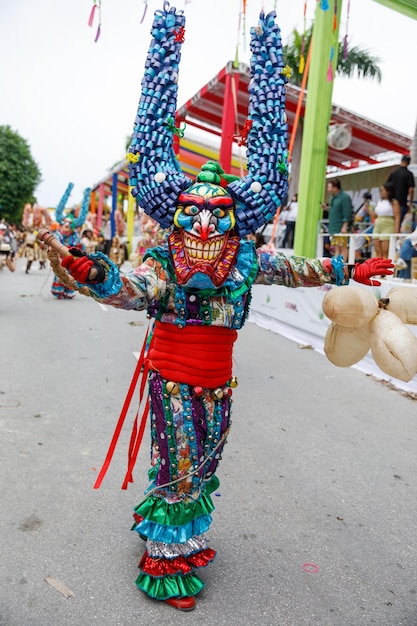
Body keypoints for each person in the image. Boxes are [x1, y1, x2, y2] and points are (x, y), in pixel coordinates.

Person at [48, 7, 394, 613]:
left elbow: (296, 267)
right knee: (179, 465)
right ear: (177, 216)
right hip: (174, 380)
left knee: (204, 462)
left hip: (219, 384)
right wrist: (88, 271)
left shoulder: (242, 260)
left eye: (219, 213)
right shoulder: (165, 261)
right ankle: (165, 561)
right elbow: (126, 285)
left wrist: (349, 270)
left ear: (235, 220)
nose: (206, 223)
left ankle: (181, 533)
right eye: (194, 213)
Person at [51, 184, 90, 299]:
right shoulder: (57, 235)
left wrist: (87, 195)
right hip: (59, 258)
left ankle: (68, 291)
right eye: (65, 223)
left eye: (69, 223)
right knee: (58, 274)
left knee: (71, 274)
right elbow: (59, 210)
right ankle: (58, 291)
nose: (67, 225)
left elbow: (80, 248)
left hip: (71, 258)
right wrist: (68, 191)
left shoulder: (76, 236)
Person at [369, 182, 401, 259]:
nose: (381, 192)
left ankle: (386, 268)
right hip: (378, 223)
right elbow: (375, 215)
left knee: (385, 250)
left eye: (382, 190)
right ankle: (378, 268)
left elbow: (397, 217)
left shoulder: (394, 202)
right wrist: (368, 209)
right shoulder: (379, 201)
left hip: (388, 224)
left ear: (388, 191)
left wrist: (396, 233)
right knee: (377, 250)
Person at [326, 178, 353, 261]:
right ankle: (336, 265)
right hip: (333, 227)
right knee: (336, 247)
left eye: (330, 187)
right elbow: (334, 210)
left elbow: (347, 212)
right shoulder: (332, 198)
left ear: (335, 187)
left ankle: (343, 265)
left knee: (343, 247)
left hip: (341, 227)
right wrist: (326, 208)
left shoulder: (344, 197)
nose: (328, 189)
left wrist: (345, 225)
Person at [386, 155, 415, 225]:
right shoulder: (409, 174)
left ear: (401, 161)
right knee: (399, 223)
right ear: (409, 163)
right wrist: (410, 203)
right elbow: (411, 190)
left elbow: (386, 186)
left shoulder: (393, 173)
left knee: (391, 223)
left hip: (391, 202)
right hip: (402, 203)